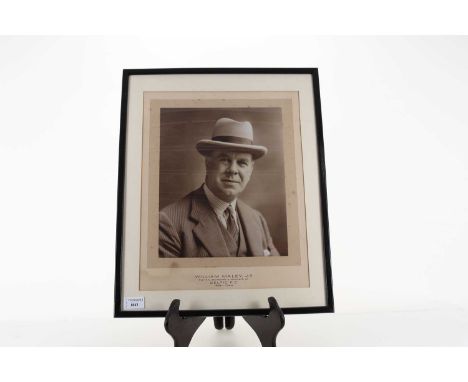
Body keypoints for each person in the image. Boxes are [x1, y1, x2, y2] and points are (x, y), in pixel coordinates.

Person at [159, 117, 280, 258]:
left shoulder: (257, 220)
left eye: (242, 163)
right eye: (224, 160)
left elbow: (275, 275)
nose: (233, 170)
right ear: (208, 163)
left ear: (251, 169)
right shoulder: (169, 222)